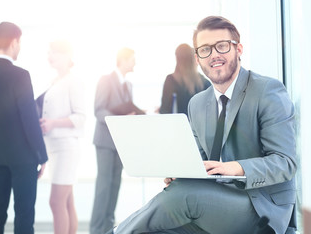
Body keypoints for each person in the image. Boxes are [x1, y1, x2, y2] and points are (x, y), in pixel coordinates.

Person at [105, 16, 297, 234]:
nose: (214, 54)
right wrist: (181, 172)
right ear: (197, 58)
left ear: (239, 49)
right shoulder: (197, 103)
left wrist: (234, 167)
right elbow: (200, 162)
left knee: (184, 195)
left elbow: (285, 162)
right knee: (158, 222)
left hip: (258, 206)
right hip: (211, 202)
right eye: (205, 49)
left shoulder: (267, 91)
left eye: (222, 46)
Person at [0, 22, 48, 234]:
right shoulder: (21, 75)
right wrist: (42, 155)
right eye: (19, 43)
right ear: (13, 42)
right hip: (24, 157)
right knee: (24, 212)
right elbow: (29, 118)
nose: (19, 47)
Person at [90, 47, 145, 234]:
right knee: (104, 187)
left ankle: (107, 229)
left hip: (121, 144)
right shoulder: (106, 80)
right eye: (133, 60)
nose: (135, 63)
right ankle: (96, 230)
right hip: (105, 142)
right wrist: (118, 119)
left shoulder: (128, 85)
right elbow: (98, 110)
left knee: (114, 187)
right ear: (123, 60)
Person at [37, 40, 85, 234]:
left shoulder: (73, 81)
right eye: (49, 52)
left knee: (56, 201)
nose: (50, 56)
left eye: (54, 52)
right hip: (54, 147)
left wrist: (52, 123)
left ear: (67, 55)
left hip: (66, 147)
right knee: (66, 201)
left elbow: (81, 117)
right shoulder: (54, 81)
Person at [159, 43, 211, 115]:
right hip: (201, 125)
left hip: (180, 125)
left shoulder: (171, 80)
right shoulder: (205, 82)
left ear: (177, 58)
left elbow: (164, 110)